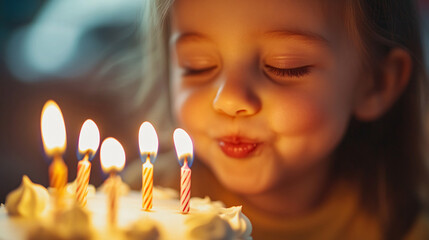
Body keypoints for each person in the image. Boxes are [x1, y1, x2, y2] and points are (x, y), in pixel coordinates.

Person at [122, 0, 429, 239]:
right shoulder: (141, 199)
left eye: (285, 66)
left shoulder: (399, 227)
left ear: (376, 82)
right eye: (197, 66)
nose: (229, 100)